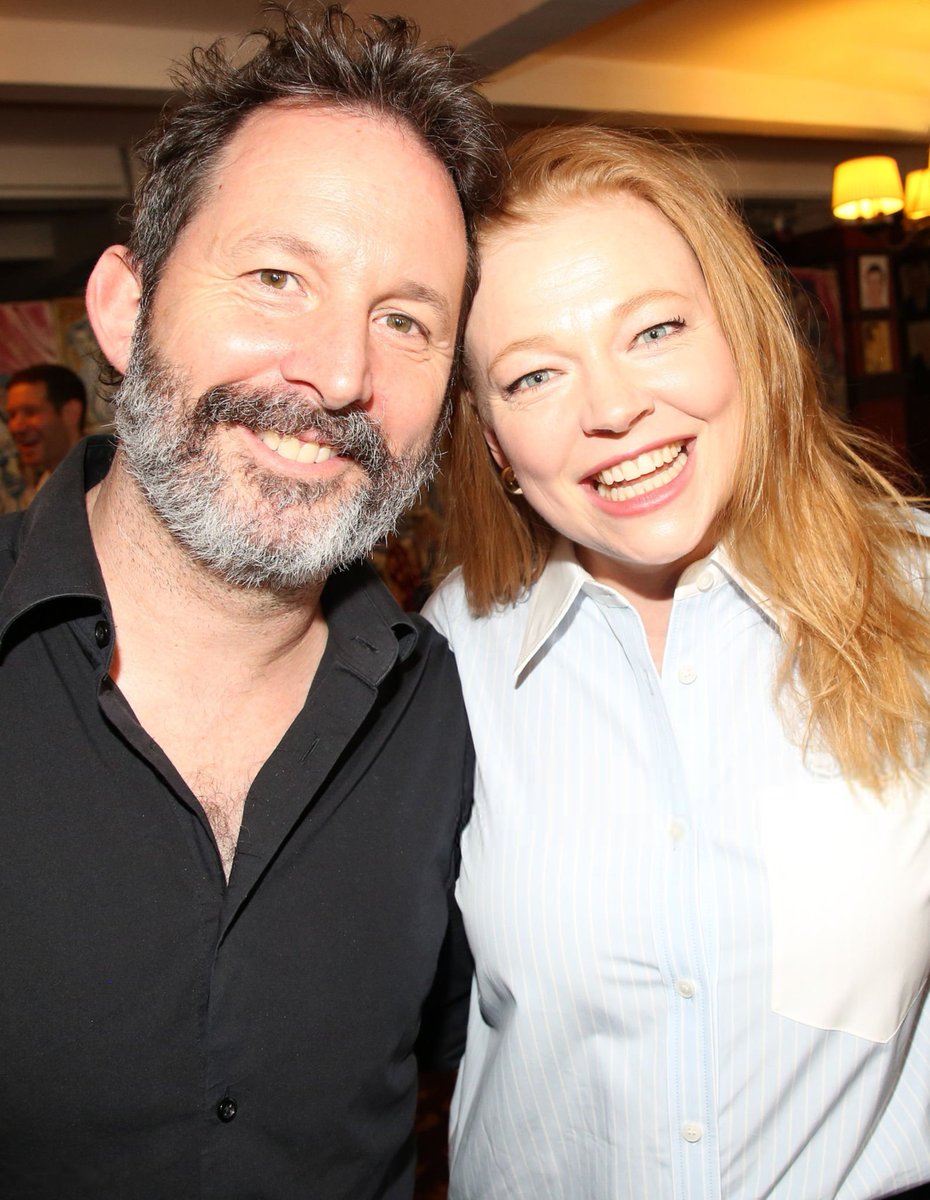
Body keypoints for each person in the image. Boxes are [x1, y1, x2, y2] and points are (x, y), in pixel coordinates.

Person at [0, 7, 503, 1198]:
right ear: (123, 309)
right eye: (278, 276)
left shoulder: (456, 708)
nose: (338, 375)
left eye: (405, 320)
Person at [425, 125, 930, 1199]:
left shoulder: (920, 601)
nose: (611, 410)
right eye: (534, 377)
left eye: (653, 330)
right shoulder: (443, 662)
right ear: (492, 440)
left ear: (741, 331)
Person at [5, 362, 87, 503]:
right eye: (12, 415)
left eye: (31, 412)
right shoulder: (41, 490)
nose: (16, 427)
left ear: (70, 413)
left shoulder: (104, 481)